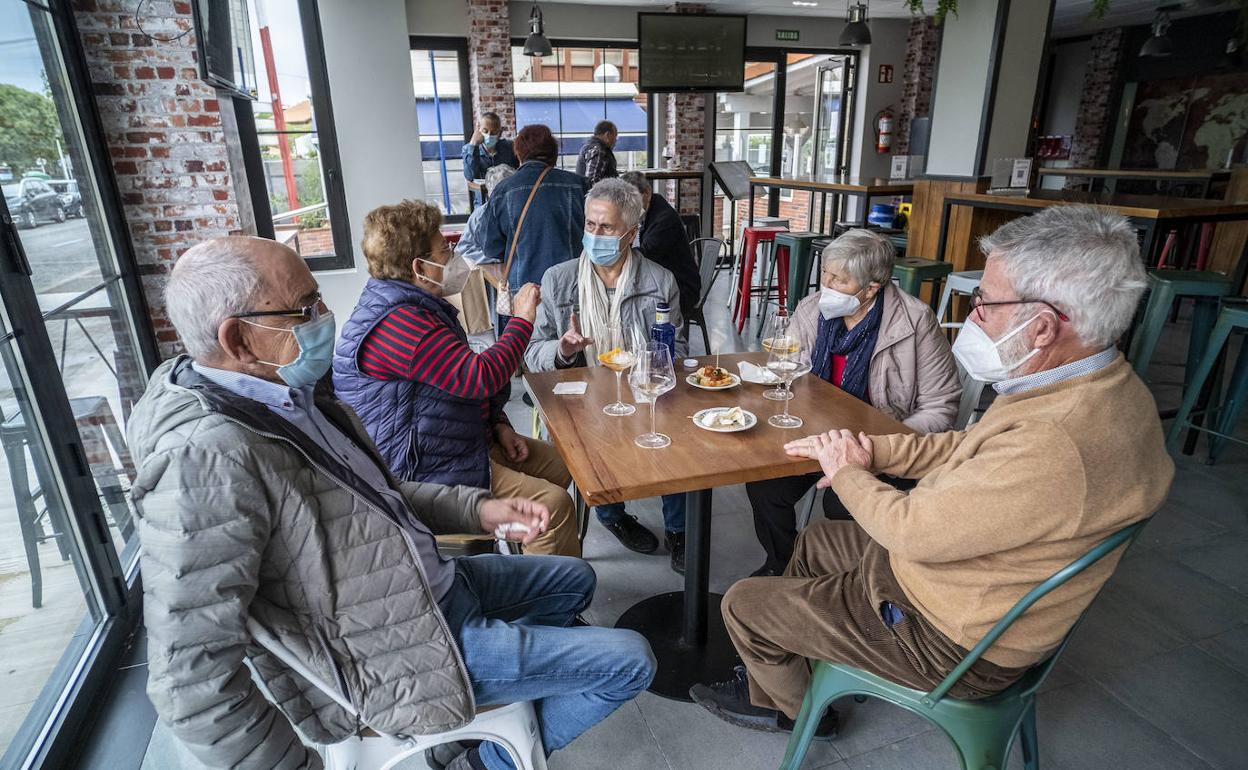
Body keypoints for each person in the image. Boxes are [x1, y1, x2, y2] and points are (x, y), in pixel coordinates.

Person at [131, 236, 655, 770]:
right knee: (632, 660)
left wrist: (477, 510)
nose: (323, 317)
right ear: (239, 339)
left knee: (577, 580)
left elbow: (377, 496)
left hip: (418, 590)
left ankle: (494, 705)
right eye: (305, 307)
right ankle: (488, 760)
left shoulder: (287, 400)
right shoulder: (204, 460)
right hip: (397, 655)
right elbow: (190, 681)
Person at [690, 206, 1173, 740]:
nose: (971, 316)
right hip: (959, 581)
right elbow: (964, 444)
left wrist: (847, 471)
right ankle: (803, 657)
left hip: (950, 636)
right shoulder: (1092, 387)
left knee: (745, 603)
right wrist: (867, 450)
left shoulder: (1055, 441)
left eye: (984, 303)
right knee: (819, 540)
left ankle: (798, 712)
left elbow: (909, 530)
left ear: (1040, 328)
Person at [333, 200, 580, 557]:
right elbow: (478, 377)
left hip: (456, 441)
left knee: (562, 465)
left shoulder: (414, 307)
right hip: (425, 467)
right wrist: (523, 320)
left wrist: (499, 424)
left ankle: (515, 563)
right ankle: (548, 607)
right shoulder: (399, 324)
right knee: (554, 507)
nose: (454, 256)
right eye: (445, 249)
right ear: (419, 267)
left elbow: (457, 380)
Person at [743, 229, 961, 577]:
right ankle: (783, 565)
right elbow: (790, 373)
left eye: (839, 280)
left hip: (885, 444)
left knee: (841, 501)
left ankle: (852, 579)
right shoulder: (813, 308)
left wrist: (881, 448)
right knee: (765, 484)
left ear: (872, 287)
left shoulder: (914, 321)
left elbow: (941, 406)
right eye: (825, 273)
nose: (826, 285)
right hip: (819, 433)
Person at [524, 179, 690, 573]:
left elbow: (678, 351)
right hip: (581, 397)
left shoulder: (659, 281)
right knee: (588, 438)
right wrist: (563, 350)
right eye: (590, 225)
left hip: (642, 389)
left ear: (631, 234)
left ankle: (680, 529)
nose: (594, 235)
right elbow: (531, 353)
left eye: (607, 228)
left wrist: (650, 364)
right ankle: (613, 516)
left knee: (678, 436)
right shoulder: (559, 280)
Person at [481, 124, 591, 306]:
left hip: (525, 290)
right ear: (554, 154)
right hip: (574, 285)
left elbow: (490, 247)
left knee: (528, 334)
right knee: (576, 334)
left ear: (518, 154)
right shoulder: (579, 185)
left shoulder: (503, 190)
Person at [620, 170, 701, 319]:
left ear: (647, 193)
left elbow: (645, 254)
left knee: (627, 303)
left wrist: (618, 252)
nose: (629, 205)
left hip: (682, 289)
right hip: (664, 281)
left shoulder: (664, 219)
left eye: (633, 199)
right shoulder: (651, 209)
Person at [456, 164, 516, 265]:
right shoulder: (480, 215)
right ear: (490, 193)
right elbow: (463, 250)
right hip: (490, 270)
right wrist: (496, 258)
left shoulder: (519, 211)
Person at [461, 111, 518, 204]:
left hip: (508, 199)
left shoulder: (509, 147)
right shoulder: (468, 149)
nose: (489, 135)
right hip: (483, 202)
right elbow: (470, 176)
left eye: (493, 132)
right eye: (485, 131)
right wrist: (473, 145)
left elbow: (517, 172)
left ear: (499, 133)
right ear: (478, 130)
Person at [576, 120, 619, 185]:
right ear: (607, 135)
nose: (615, 141)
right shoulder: (598, 150)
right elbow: (592, 181)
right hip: (599, 194)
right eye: (615, 137)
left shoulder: (589, 146)